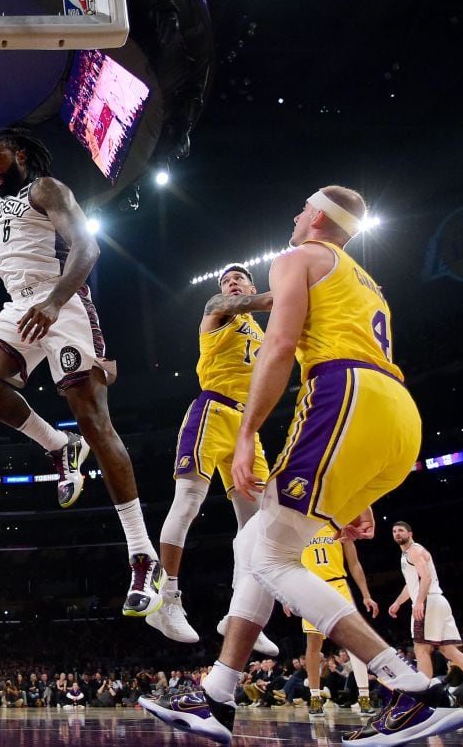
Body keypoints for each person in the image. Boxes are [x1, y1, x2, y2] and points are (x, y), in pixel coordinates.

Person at [140, 185, 463, 744]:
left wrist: (247, 434)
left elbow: (281, 345)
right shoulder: (363, 280)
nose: (293, 216)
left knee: (263, 548)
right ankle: (216, 697)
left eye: (300, 209)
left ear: (316, 216)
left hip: (343, 394)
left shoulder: (298, 257)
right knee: (258, 547)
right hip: (393, 415)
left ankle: (409, 690)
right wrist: (361, 492)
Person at [0, 66, 162, 617]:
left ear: (23, 158)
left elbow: (88, 250)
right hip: (19, 304)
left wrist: (56, 300)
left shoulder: (46, 189)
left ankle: (141, 553)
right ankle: (57, 447)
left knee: (94, 419)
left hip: (62, 302)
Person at [146, 264, 277, 655]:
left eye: (238, 279)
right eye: (226, 279)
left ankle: (240, 611)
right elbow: (272, 301)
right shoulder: (219, 307)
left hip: (246, 427)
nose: (230, 282)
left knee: (257, 524)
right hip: (212, 412)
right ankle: (166, 599)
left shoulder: (263, 331)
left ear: (251, 283)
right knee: (187, 503)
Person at [388, 521, 463, 704]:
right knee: (451, 651)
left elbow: (426, 577)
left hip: (429, 601)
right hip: (438, 601)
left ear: (410, 533)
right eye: (394, 531)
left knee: (421, 648)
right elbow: (411, 584)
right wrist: (398, 602)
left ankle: (426, 698)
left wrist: (419, 601)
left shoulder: (414, 551)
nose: (397, 533)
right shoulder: (406, 554)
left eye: (401, 530)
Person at [294, 523, 378, 716]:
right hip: (310, 589)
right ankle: (315, 697)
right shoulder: (299, 529)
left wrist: (366, 594)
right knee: (313, 646)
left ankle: (364, 697)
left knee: (355, 644)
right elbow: (289, 565)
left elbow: (354, 563)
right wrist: (285, 596)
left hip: (338, 586)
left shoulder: (339, 526)